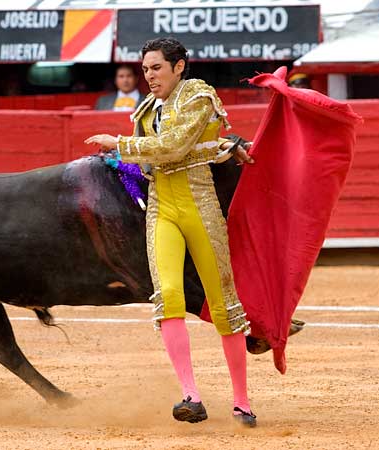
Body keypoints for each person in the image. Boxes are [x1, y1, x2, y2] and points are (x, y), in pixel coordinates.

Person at [85, 37, 257, 427]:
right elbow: (159, 155)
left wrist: (120, 144)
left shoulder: (198, 95)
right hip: (162, 206)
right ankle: (191, 396)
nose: (149, 76)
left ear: (179, 66)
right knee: (167, 297)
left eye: (156, 68)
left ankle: (242, 402)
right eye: (145, 69)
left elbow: (175, 145)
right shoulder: (147, 108)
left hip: (199, 204)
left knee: (222, 302)